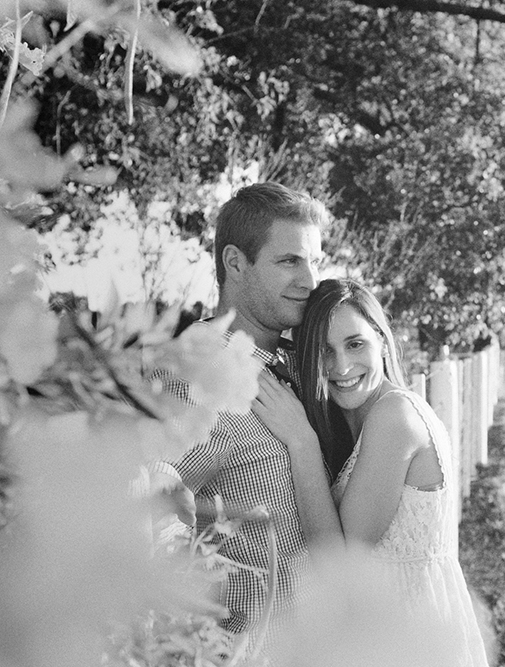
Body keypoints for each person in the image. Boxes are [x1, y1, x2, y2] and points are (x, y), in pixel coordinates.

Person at [252, 278, 491, 667]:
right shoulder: (361, 422)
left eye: (355, 343)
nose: (341, 366)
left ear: (382, 339)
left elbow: (338, 561)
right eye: (324, 351)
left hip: (409, 639)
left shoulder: (395, 417)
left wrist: (301, 441)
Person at [151, 182, 328, 655]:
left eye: (314, 261)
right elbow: (151, 509)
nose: (310, 281)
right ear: (235, 262)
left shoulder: (293, 360)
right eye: (289, 261)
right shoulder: (196, 372)